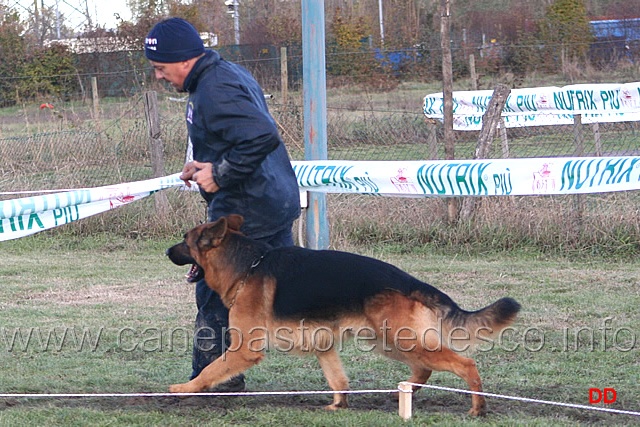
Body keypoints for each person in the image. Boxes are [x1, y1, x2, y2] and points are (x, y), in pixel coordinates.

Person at [145, 17, 301, 392]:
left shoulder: (214, 88)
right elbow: (237, 137)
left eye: (161, 69)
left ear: (183, 60)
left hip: (246, 211)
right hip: (268, 200)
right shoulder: (223, 75)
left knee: (218, 294)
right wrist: (205, 165)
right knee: (286, 289)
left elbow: (261, 137)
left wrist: (222, 174)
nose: (159, 78)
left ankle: (212, 382)